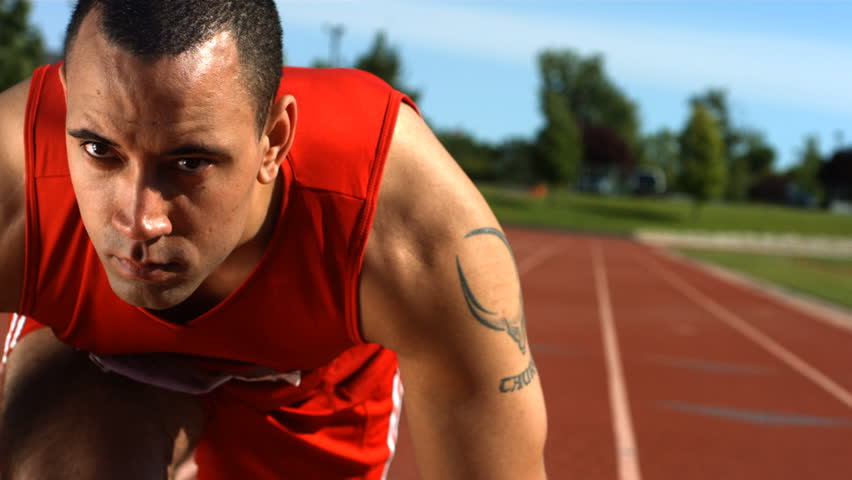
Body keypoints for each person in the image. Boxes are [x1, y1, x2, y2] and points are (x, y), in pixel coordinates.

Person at [0, 1, 547, 478]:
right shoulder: (15, 181)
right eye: (100, 151)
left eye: (189, 163)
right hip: (93, 363)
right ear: (65, 102)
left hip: (313, 391)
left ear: (274, 141)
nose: (141, 221)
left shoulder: (410, 229)